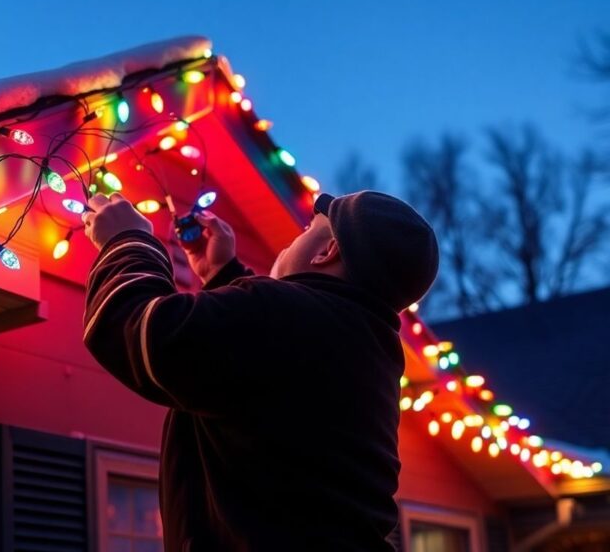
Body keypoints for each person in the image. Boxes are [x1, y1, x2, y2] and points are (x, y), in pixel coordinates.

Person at [80, 190, 439, 551]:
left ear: (326, 251)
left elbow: (137, 330)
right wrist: (224, 276)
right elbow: (259, 379)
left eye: (307, 228)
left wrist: (127, 239)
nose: (294, 237)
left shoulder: (286, 314)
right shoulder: (370, 351)